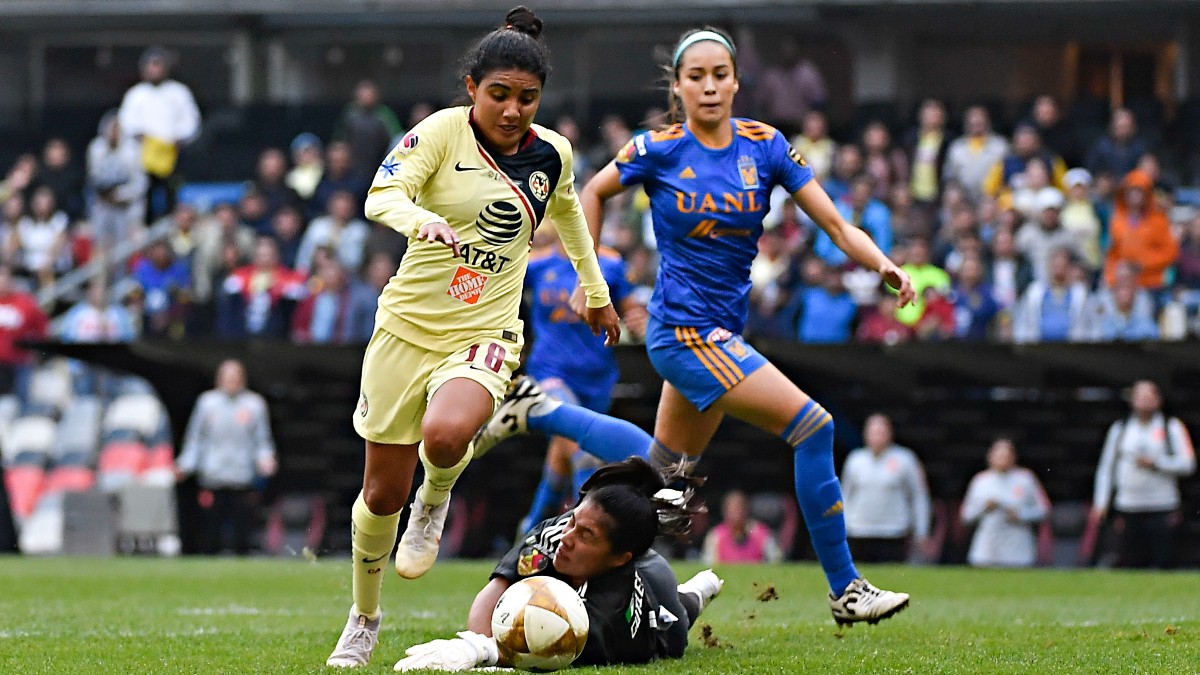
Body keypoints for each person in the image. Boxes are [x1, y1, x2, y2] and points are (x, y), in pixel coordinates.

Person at [474, 26, 913, 627]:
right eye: (696, 77)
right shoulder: (658, 148)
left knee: (660, 478)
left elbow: (838, 228)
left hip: (721, 333)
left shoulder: (767, 147)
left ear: (736, 82)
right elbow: (590, 194)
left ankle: (537, 411)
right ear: (677, 87)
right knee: (815, 427)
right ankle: (846, 588)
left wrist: (883, 262)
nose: (709, 86)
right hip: (682, 333)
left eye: (720, 75)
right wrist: (590, 272)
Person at [325, 8, 621, 668]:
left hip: (485, 328)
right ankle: (364, 616)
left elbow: (569, 213)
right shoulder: (439, 134)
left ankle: (436, 499)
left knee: (448, 433)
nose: (513, 110)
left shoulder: (552, 155)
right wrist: (420, 220)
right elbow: (380, 195)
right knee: (378, 495)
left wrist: (595, 291)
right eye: (499, 94)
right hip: (405, 328)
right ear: (471, 87)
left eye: (527, 97)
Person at [393, 458, 723, 671]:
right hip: (603, 571)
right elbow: (498, 590)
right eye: (573, 522)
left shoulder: (611, 613)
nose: (567, 537)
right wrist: (475, 638)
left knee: (678, 614)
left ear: (619, 557)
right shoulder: (558, 533)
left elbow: (549, 647)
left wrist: (485, 653)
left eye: (586, 535)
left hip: (658, 604)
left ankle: (695, 593)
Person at [516, 224, 647, 534]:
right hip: (549, 373)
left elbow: (631, 310)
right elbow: (505, 300)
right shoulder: (537, 264)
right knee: (582, 454)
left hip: (597, 379)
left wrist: (640, 319)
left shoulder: (612, 264)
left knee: (561, 457)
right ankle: (587, 534)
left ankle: (530, 533)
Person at [175, 359, 278, 555]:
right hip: (213, 477)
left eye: (235, 377)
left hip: (241, 477)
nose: (231, 381)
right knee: (210, 533)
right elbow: (195, 439)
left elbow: (262, 440)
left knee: (242, 534)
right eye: (227, 377)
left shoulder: (254, 405)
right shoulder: (207, 403)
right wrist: (185, 465)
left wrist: (266, 459)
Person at [1092, 380, 1196, 569]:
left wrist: (1157, 463)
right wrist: (1101, 503)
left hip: (1163, 506)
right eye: (1140, 397)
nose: (1144, 402)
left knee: (1165, 563)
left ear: (1158, 400)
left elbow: (1188, 464)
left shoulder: (1171, 427)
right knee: (1132, 564)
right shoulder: (1120, 429)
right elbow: (1106, 468)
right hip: (1128, 506)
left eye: (1149, 397)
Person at [117, 46, 201, 223]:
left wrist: (177, 139)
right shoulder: (136, 94)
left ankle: (173, 223)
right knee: (144, 195)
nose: (154, 70)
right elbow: (127, 122)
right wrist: (144, 138)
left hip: (172, 154)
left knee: (172, 192)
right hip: (144, 156)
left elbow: (191, 121)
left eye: (158, 65)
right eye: (151, 65)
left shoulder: (179, 92)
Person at [841, 414, 931, 563]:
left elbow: (918, 496)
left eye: (881, 432)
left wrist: (921, 530)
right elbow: (845, 495)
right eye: (873, 432)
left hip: (893, 531)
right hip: (859, 530)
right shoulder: (855, 460)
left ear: (890, 434)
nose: (877, 437)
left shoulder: (905, 459)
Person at [960, 438, 1050, 568]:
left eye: (1006, 456)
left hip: (1018, 549)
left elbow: (1044, 510)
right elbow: (965, 516)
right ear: (990, 457)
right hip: (987, 550)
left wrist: (1020, 515)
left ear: (1014, 457)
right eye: (999, 456)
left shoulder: (1026, 479)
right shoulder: (980, 481)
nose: (1003, 459)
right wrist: (984, 508)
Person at [1103, 169, 1178, 291]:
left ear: (1147, 194)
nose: (1134, 195)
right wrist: (1111, 278)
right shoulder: (1117, 221)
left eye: (1139, 191)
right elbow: (1113, 254)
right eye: (1131, 191)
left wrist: (1144, 264)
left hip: (1151, 283)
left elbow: (1170, 253)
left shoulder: (1159, 220)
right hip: (1123, 285)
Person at [701, 489, 782, 564]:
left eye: (739, 509)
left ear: (746, 510)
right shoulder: (716, 536)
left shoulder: (760, 534)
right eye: (732, 510)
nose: (736, 514)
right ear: (725, 512)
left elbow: (776, 561)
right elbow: (708, 563)